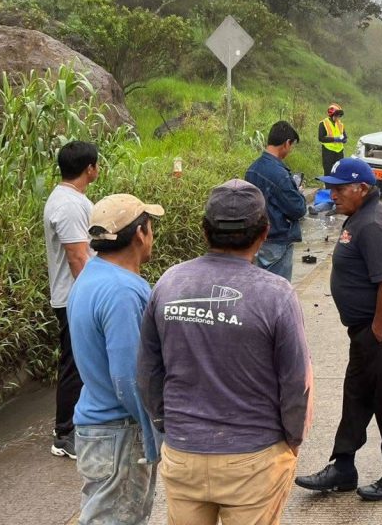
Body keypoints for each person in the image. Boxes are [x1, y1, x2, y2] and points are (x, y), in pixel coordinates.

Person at [138, 180, 313, 525]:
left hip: (183, 453)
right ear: (264, 233)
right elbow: (296, 382)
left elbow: (147, 373)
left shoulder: (169, 284)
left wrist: (167, 424)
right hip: (254, 459)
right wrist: (293, 439)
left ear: (205, 231)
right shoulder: (277, 295)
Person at [295, 158, 382, 502]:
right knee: (356, 394)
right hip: (368, 329)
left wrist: (378, 331)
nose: (331, 193)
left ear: (362, 189)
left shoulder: (374, 224)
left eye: (338, 188)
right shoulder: (360, 217)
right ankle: (344, 467)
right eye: (330, 187)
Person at [68, 193, 163, 524]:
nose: (152, 235)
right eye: (150, 226)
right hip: (119, 431)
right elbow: (128, 377)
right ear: (140, 233)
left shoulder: (90, 277)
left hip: (97, 427)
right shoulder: (122, 291)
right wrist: (156, 436)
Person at [43, 140, 98, 459]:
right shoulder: (68, 205)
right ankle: (64, 433)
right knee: (74, 364)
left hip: (74, 294)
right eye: (96, 164)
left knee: (82, 361)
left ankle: (80, 423)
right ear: (90, 169)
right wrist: (95, 296)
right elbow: (78, 258)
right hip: (73, 297)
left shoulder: (70, 198)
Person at [245, 121, 307, 282]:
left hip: (257, 240)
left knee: (258, 288)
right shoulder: (279, 174)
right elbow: (298, 209)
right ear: (287, 143)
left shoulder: (252, 169)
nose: (290, 150)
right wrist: (298, 194)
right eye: (291, 145)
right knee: (277, 291)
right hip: (277, 241)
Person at [318, 103, 347, 175]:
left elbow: (345, 137)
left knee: (339, 171)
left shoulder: (340, 124)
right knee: (328, 171)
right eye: (337, 115)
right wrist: (335, 139)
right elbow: (321, 138)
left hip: (339, 152)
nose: (338, 117)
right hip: (328, 151)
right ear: (332, 115)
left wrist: (344, 140)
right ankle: (328, 186)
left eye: (340, 115)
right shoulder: (323, 123)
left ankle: (337, 186)